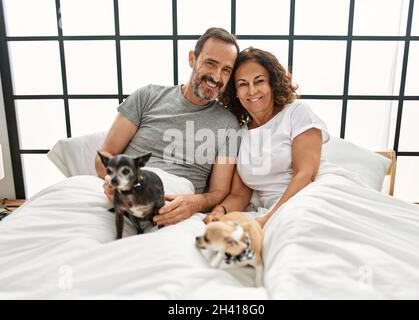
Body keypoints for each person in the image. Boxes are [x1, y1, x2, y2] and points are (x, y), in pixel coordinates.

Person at [95, 27, 241, 227]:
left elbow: (218, 192)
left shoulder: (229, 125)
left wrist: (194, 204)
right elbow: (105, 154)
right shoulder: (147, 97)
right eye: (211, 63)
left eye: (226, 70)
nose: (217, 76)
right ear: (192, 59)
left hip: (174, 206)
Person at [204, 47, 330, 228]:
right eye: (243, 84)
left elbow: (306, 175)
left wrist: (268, 218)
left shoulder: (296, 113)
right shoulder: (241, 134)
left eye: (259, 81)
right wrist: (219, 212)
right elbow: (240, 195)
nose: (252, 90)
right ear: (236, 93)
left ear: (273, 83)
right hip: (272, 212)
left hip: (310, 197)